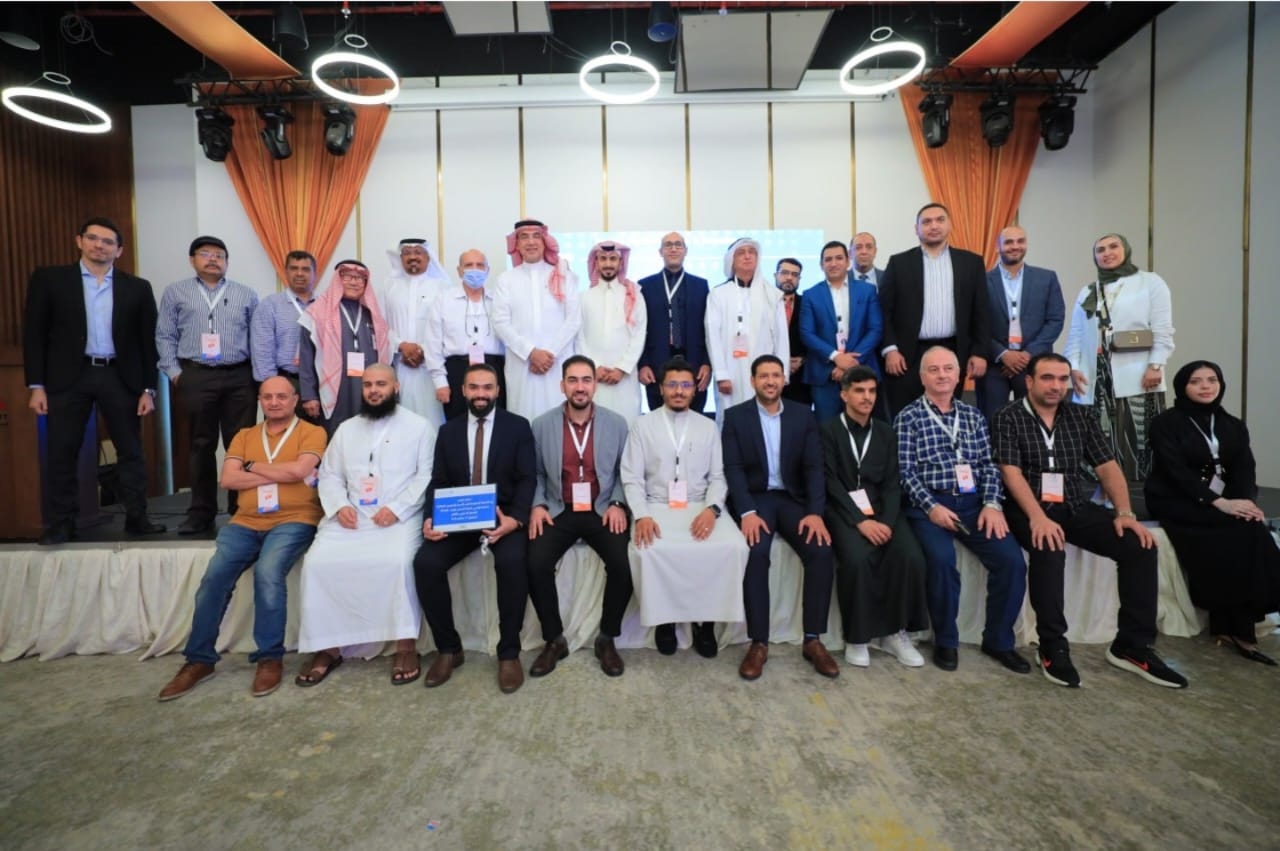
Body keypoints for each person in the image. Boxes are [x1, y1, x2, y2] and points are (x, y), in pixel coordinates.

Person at [992, 352, 1188, 689]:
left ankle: (1132, 646)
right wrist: (1038, 517)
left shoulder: (1080, 416)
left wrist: (1125, 514)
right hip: (1026, 508)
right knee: (1049, 546)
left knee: (1139, 545)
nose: (1056, 386)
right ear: (1029, 381)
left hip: (1072, 505)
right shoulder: (1007, 416)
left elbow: (1107, 466)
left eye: (1062, 379)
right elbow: (1010, 473)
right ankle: (1052, 645)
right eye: (1047, 378)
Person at [157, 377, 326, 701]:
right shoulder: (244, 435)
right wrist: (278, 471)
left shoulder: (312, 432)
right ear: (260, 401)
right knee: (214, 578)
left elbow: (299, 471)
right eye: (267, 397)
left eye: (281, 396)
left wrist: (252, 467)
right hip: (245, 522)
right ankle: (199, 660)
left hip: (294, 519)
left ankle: (269, 658)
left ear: (295, 400)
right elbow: (228, 479)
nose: (274, 402)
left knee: (268, 572)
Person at [24, 216, 164, 545]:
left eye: (107, 242)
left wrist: (148, 389)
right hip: (68, 377)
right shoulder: (50, 280)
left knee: (130, 450)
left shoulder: (137, 287)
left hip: (119, 375)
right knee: (62, 450)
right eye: (93, 238)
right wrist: (36, 386)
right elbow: (34, 333)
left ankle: (137, 517)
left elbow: (147, 341)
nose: (99, 245)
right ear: (80, 241)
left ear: (119, 250)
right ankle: (62, 523)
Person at [294, 364, 436, 688]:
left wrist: (397, 509)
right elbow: (330, 475)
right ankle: (328, 647)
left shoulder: (420, 427)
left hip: (399, 516)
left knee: (398, 562)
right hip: (352, 516)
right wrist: (340, 506)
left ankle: (405, 645)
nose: (374, 390)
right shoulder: (346, 429)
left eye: (381, 384)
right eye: (368, 385)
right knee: (317, 563)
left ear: (396, 387)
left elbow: (426, 476)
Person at [896, 346, 1029, 675]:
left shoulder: (974, 416)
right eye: (934, 370)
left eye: (948, 369)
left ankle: (999, 641)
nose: (942, 375)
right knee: (942, 562)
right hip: (929, 505)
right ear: (922, 377)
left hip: (973, 504)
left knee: (1012, 562)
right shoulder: (908, 417)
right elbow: (905, 473)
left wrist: (992, 504)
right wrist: (932, 507)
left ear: (959, 376)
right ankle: (946, 640)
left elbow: (988, 465)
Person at [1145, 361, 1280, 666]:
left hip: (1222, 500)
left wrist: (1244, 502)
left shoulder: (1232, 424)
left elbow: (1244, 468)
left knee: (1250, 526)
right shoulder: (1165, 423)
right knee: (1237, 532)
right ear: (1183, 386)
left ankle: (1232, 626)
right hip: (1176, 499)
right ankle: (1240, 631)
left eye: (1212, 380)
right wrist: (1218, 503)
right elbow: (1175, 471)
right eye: (1196, 381)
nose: (1205, 386)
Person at [414, 363, 536, 694]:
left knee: (513, 562)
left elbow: (528, 478)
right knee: (425, 564)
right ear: (464, 391)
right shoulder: (448, 431)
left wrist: (516, 519)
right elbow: (438, 481)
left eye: (487, 387)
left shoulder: (518, 427)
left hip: (501, 516)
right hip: (458, 517)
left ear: (497, 391)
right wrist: (430, 518)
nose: (481, 394)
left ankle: (508, 652)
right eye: (474, 387)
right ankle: (448, 649)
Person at [620, 357, 749, 658]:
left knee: (733, 547)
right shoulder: (642, 426)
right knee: (648, 549)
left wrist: (712, 510)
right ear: (661, 388)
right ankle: (665, 622)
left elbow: (718, 477)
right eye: (673, 385)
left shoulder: (708, 426)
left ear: (695, 390)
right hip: (655, 505)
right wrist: (642, 515)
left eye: (685, 385)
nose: (679, 391)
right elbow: (632, 477)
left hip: (699, 505)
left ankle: (706, 623)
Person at [721, 355, 837, 680]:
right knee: (756, 552)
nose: (770, 381)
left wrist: (815, 513)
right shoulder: (735, 417)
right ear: (753, 380)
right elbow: (733, 469)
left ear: (784, 379)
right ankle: (759, 643)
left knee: (821, 550)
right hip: (756, 499)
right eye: (764, 376)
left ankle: (813, 639)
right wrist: (746, 512)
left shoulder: (803, 415)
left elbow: (814, 468)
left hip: (791, 498)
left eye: (776, 375)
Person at [526, 356, 633, 677]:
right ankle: (554, 640)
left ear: (595, 385)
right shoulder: (542, 425)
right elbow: (536, 474)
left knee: (623, 564)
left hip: (602, 508)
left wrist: (617, 503)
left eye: (586, 380)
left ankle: (607, 638)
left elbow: (624, 472)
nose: (580, 387)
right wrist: (538, 505)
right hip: (560, 508)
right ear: (562, 386)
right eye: (573, 380)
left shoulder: (617, 424)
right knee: (535, 563)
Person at [819, 367, 929, 668]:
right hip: (843, 510)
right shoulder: (827, 430)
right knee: (856, 559)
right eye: (859, 391)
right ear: (844, 395)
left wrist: (887, 523)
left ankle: (896, 633)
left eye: (871, 391)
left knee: (909, 555)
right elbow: (830, 482)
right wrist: (861, 521)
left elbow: (893, 483)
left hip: (883, 511)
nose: (866, 397)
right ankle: (858, 637)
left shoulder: (885, 432)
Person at [156, 236, 260, 536]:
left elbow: (256, 337)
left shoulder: (245, 294)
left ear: (227, 261)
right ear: (192, 260)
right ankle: (201, 513)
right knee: (200, 445)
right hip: (196, 375)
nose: (213, 259)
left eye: (219, 255)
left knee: (241, 445)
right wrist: (175, 373)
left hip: (239, 377)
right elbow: (164, 335)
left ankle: (242, 509)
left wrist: (257, 377)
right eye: (205, 254)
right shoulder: (176, 292)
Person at [1063, 233, 1174, 482]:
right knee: (1097, 441)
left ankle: (1134, 497)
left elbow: (1162, 328)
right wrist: (1073, 367)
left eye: (1113, 246)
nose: (1107, 253)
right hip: (1095, 376)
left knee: (1137, 441)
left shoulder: (1150, 282)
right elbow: (1076, 334)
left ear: (1126, 250)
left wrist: (1156, 365)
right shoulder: (1089, 290)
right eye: (1100, 250)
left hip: (1137, 373)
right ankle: (1101, 494)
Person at [877, 203, 990, 418]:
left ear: (950, 225)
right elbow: (883, 310)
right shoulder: (899, 263)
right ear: (916, 229)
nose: (934, 226)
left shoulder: (971, 263)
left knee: (948, 414)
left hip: (954, 351)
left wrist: (980, 352)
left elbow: (981, 311)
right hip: (906, 356)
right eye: (926, 222)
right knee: (905, 416)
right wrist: (890, 349)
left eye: (940, 220)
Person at [490, 219, 582, 421]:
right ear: (516, 244)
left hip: (557, 363)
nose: (531, 242)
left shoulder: (563, 276)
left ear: (544, 241)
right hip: (522, 363)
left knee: (558, 420)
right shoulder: (506, 279)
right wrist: (531, 353)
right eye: (524, 237)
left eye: (536, 236)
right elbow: (500, 323)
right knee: (522, 419)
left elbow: (574, 320)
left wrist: (549, 354)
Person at [977, 226, 1065, 422]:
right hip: (994, 364)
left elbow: (1055, 320)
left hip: (1034, 363)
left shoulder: (1047, 278)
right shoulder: (981, 280)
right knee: (992, 421)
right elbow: (976, 323)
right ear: (997, 247)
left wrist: (1026, 355)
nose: (1015, 246)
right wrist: (1003, 354)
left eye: (1020, 241)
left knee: (1034, 422)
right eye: (1008, 242)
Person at [298, 259, 391, 436]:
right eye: (348, 276)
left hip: (369, 388)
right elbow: (306, 358)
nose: (354, 282)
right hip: (336, 389)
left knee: (369, 433)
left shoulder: (373, 315)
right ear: (337, 280)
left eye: (360, 278)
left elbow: (387, 355)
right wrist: (309, 395)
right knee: (336, 435)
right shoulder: (317, 314)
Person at [706, 237, 790, 420]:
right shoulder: (718, 294)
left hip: (765, 373)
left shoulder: (772, 294)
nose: (747, 256)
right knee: (730, 419)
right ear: (731, 260)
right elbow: (712, 336)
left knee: (764, 419)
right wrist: (721, 374)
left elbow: (782, 337)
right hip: (730, 370)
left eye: (752, 252)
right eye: (741, 253)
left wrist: (782, 375)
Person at [799, 240, 883, 422]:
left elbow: (875, 329)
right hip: (825, 374)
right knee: (826, 427)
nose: (833, 263)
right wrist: (836, 357)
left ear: (848, 261)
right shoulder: (810, 294)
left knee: (862, 425)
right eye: (828, 259)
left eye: (838, 258)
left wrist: (851, 362)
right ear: (821, 264)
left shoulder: (867, 291)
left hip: (862, 370)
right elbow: (807, 333)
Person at [423, 249, 506, 421]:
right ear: (459, 270)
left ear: (487, 270)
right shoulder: (444, 300)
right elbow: (432, 344)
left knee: (496, 423)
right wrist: (440, 383)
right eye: (469, 265)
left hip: (494, 369)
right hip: (457, 370)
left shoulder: (499, 300)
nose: (474, 270)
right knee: (458, 425)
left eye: (480, 265)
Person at [636, 232, 712, 415]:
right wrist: (643, 364)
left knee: (694, 418)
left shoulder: (701, 285)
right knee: (658, 418)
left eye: (678, 245)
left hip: (694, 364)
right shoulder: (645, 286)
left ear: (685, 251)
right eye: (668, 245)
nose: (673, 249)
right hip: (656, 366)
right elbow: (639, 329)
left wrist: (707, 363)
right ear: (660, 252)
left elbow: (709, 329)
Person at [381, 238, 451, 425]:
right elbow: (380, 324)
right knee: (401, 417)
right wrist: (401, 345)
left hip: (432, 365)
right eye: (407, 253)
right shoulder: (389, 286)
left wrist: (423, 349)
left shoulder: (443, 287)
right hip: (400, 363)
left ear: (428, 257)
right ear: (400, 258)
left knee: (433, 417)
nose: (412, 257)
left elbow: (448, 326)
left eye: (418, 252)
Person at [576, 241, 647, 425]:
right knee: (595, 427)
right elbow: (578, 336)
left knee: (628, 425)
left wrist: (621, 368)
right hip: (593, 377)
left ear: (621, 263)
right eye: (603, 259)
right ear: (596, 263)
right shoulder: (583, 297)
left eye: (613, 259)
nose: (608, 264)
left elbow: (639, 335)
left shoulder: (634, 295)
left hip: (625, 379)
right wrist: (593, 367)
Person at [250, 250, 319, 424]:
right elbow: (262, 350)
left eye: (305, 269)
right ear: (286, 272)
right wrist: (273, 388)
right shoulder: (270, 305)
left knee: (318, 435)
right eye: (294, 268)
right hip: (285, 381)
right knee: (282, 433)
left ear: (314, 273)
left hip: (319, 384)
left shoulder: (325, 305)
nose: (299, 273)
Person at [774, 257, 811, 406]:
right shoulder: (763, 303)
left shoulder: (807, 303)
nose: (789, 278)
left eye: (795, 275)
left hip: (800, 377)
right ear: (775, 275)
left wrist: (803, 359)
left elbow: (816, 334)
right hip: (770, 374)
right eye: (784, 273)